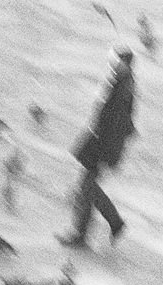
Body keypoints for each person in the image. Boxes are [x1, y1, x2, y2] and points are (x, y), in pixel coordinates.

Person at [57, 46, 137, 248]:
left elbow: (115, 122)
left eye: (116, 61)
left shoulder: (123, 87)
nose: (111, 64)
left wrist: (103, 149)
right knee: (89, 188)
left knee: (87, 187)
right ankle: (106, 226)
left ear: (124, 64)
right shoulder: (121, 82)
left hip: (104, 145)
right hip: (104, 143)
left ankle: (91, 231)